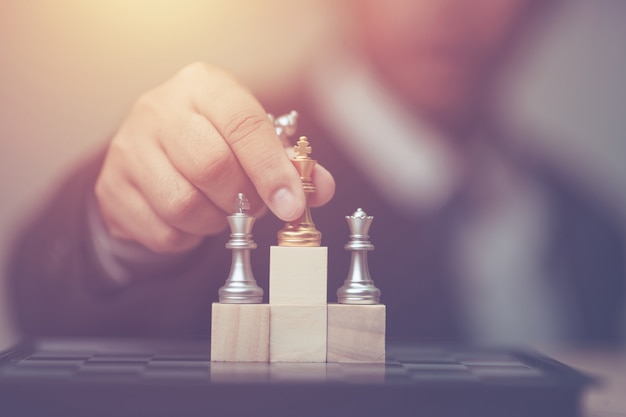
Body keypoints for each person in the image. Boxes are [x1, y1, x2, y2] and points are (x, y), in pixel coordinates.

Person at [8, 0, 624, 344]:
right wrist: (117, 234)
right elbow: (51, 305)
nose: (444, 6)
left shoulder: (595, 230)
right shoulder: (219, 163)